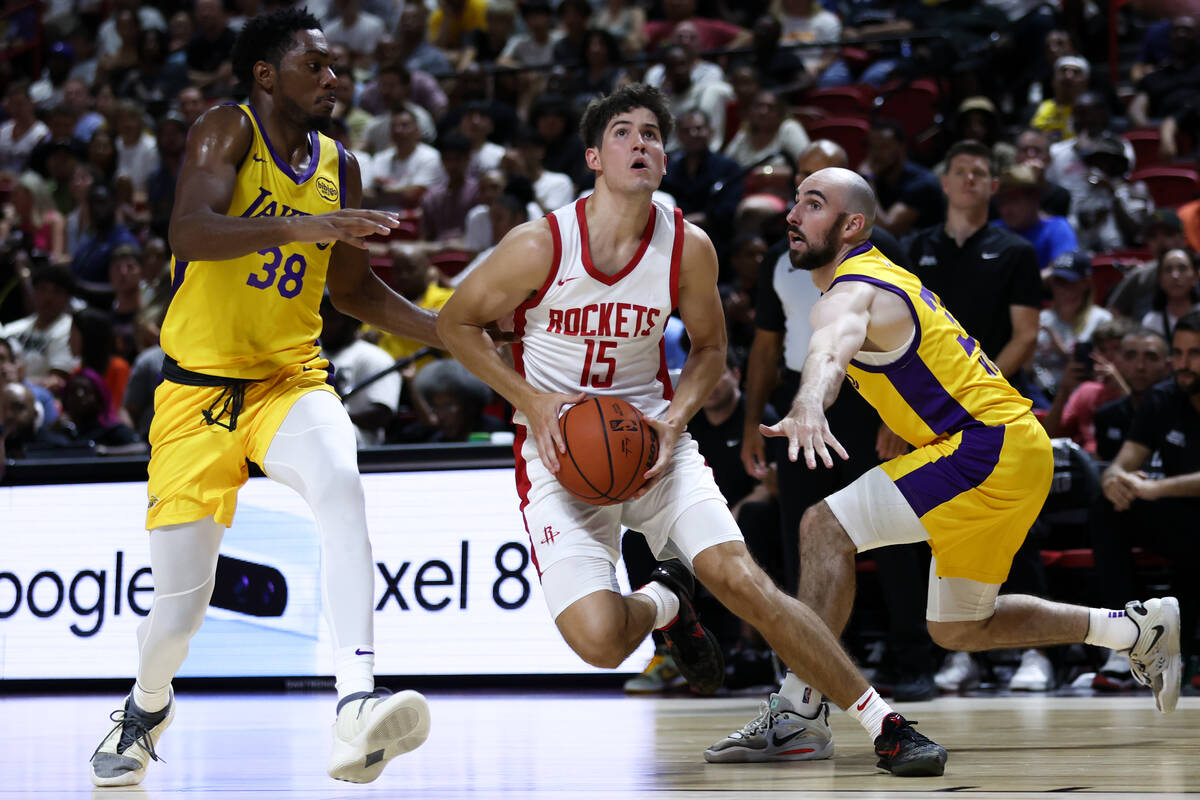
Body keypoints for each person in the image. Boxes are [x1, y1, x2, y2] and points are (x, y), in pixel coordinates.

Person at [437, 85, 945, 776]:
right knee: (600, 643)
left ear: (667, 158)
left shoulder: (687, 246)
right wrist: (532, 402)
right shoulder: (538, 244)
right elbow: (453, 324)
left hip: (653, 440)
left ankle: (883, 723)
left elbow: (710, 349)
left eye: (652, 133)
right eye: (623, 132)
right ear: (593, 156)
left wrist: (675, 420)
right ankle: (667, 599)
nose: (641, 142)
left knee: (747, 584)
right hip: (562, 458)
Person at [708, 166, 1181, 767]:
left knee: (825, 525)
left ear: (852, 225)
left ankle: (799, 712)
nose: (793, 216)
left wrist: (805, 404)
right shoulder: (886, 278)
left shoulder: (857, 286)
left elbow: (827, 351)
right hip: (1014, 450)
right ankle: (1134, 630)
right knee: (959, 627)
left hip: (985, 446)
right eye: (796, 202)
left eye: (814, 204)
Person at [88, 8, 444, 787]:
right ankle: (146, 708)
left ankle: (356, 701)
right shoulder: (227, 127)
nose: (332, 78)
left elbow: (353, 290)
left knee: (343, 488)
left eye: (336, 67)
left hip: (288, 380)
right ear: (264, 74)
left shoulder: (340, 163)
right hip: (195, 395)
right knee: (177, 617)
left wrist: (451, 334)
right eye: (314, 66)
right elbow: (189, 230)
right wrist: (301, 223)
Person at [1092, 311, 1200, 693]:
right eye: (1179, 353)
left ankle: (1185, 650)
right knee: (1108, 506)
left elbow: (1160, 488)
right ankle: (1125, 640)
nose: (1184, 364)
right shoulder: (1162, 398)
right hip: (1180, 521)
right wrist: (1113, 482)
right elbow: (1122, 463)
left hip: (1186, 514)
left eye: (1195, 354)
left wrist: (1159, 487)